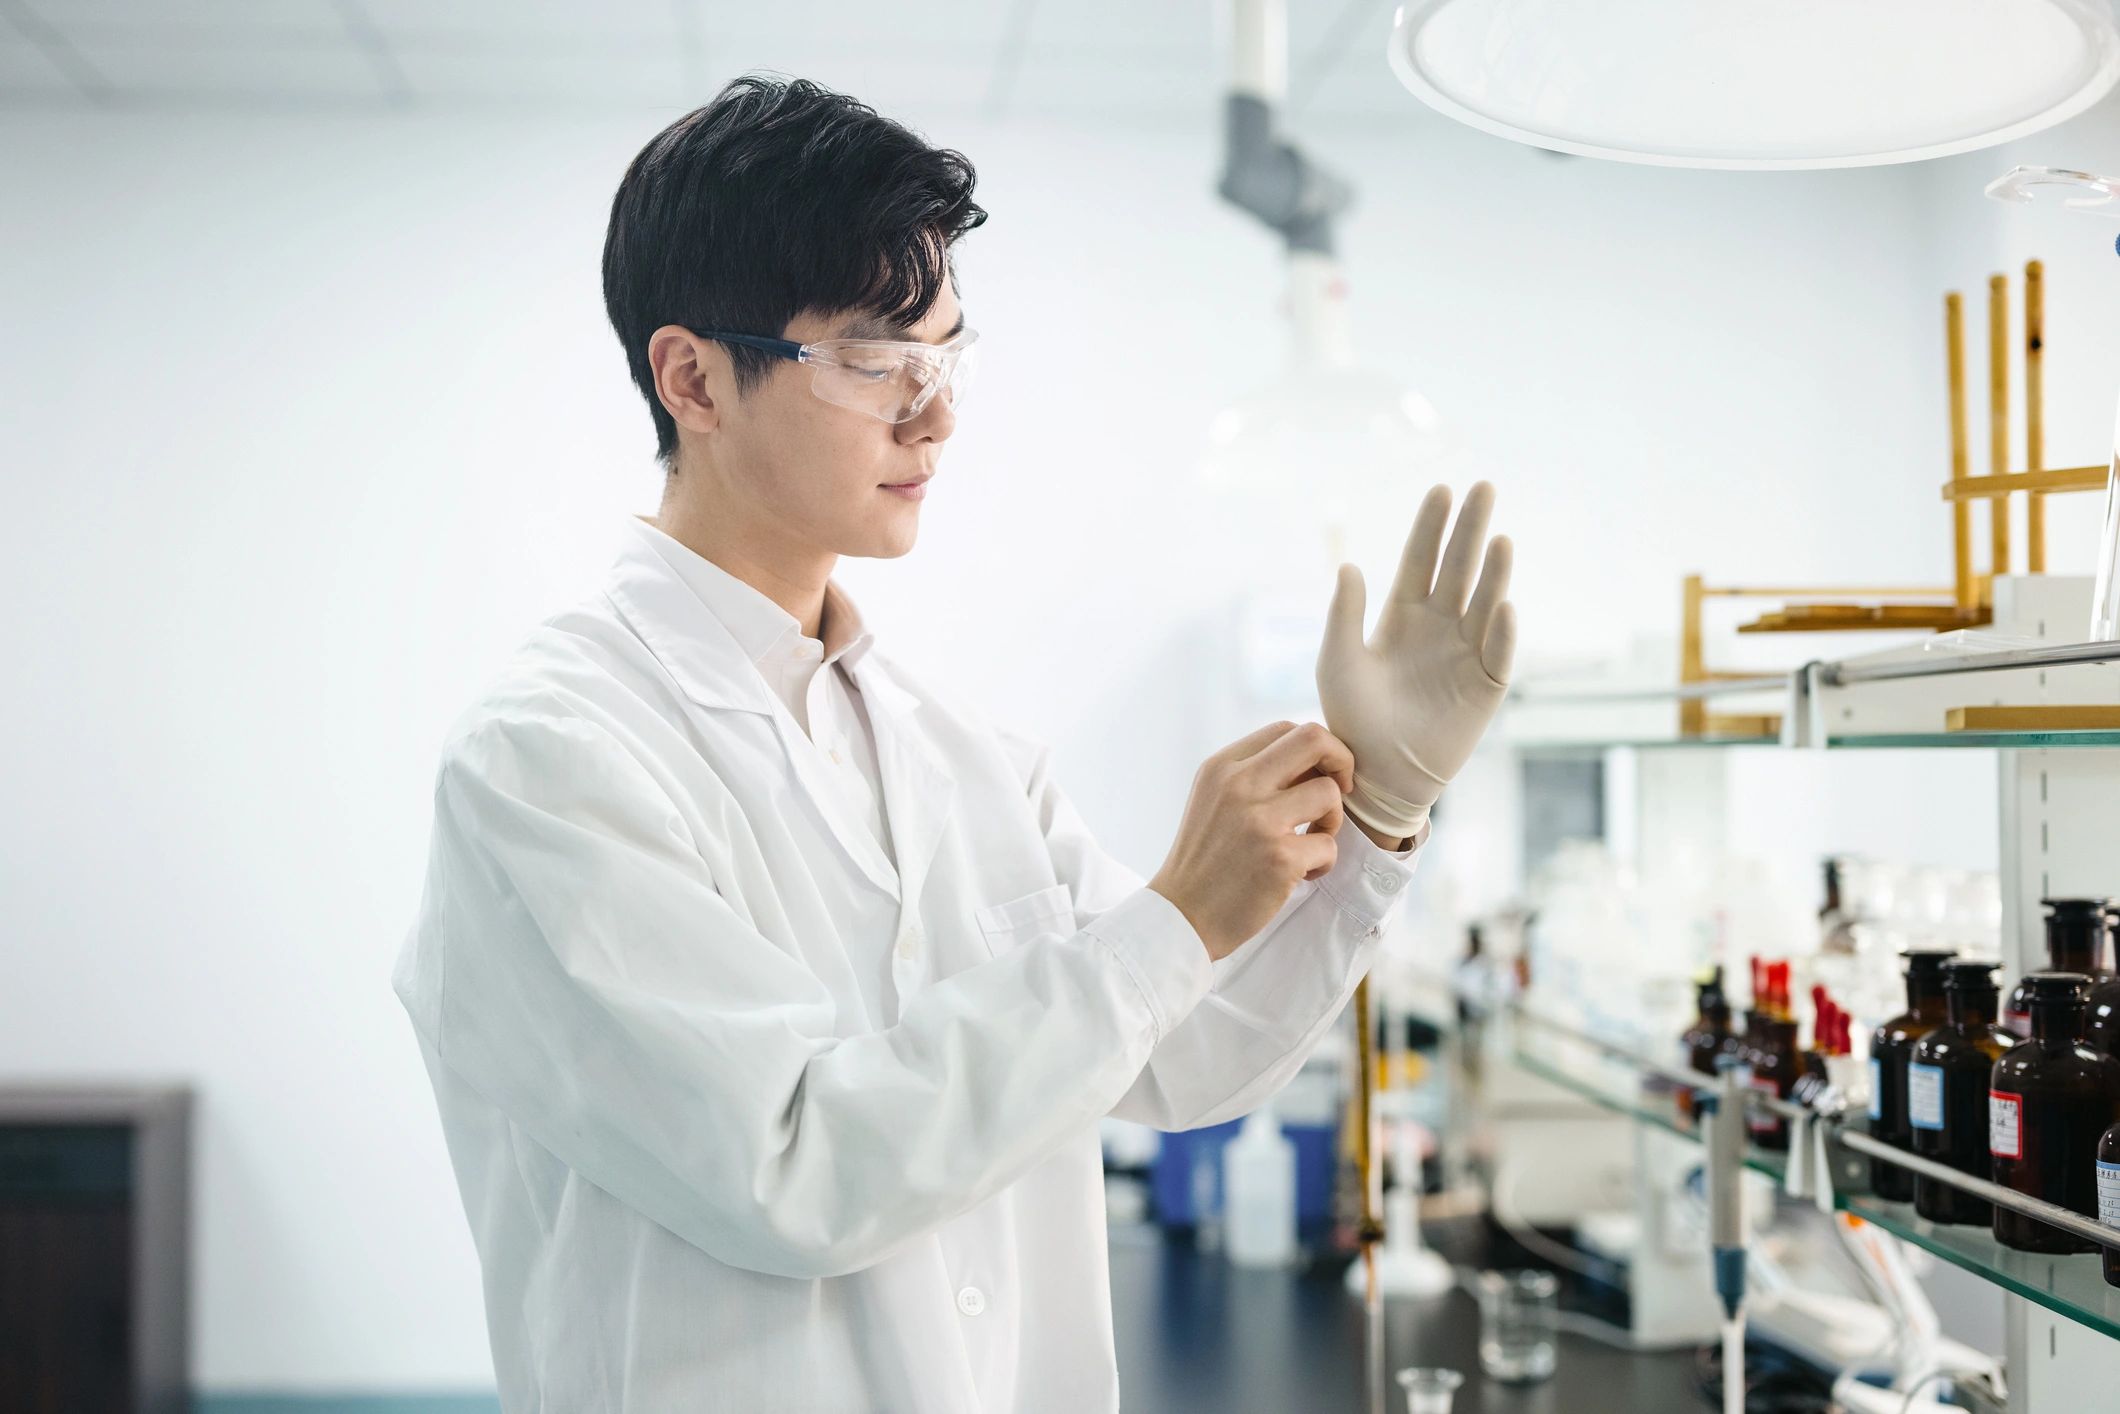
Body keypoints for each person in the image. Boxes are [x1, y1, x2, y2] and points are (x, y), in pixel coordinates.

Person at [392, 74, 1516, 1414]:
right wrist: (1170, 919)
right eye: (875, 360)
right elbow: (793, 1163)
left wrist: (1383, 811)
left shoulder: (962, 754)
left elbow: (1184, 1051)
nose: (935, 416)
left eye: (947, 357)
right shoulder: (548, 760)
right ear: (692, 376)